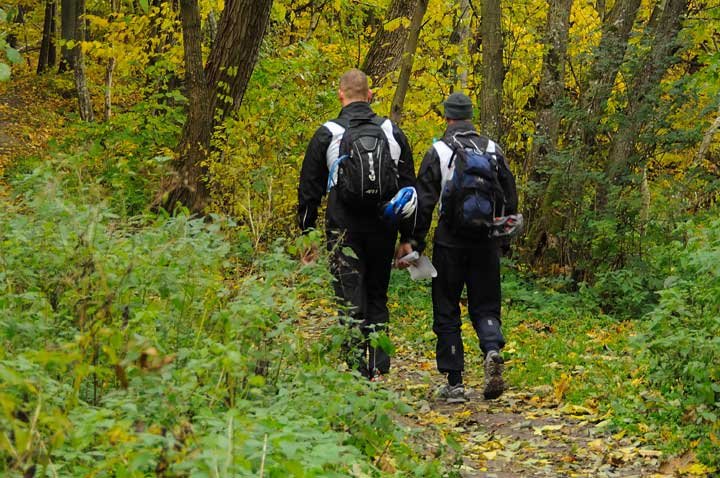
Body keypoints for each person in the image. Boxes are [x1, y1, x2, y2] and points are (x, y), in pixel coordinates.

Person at [396, 92, 519, 401]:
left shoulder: (438, 150)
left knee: (447, 307)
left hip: (449, 243)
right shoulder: (493, 149)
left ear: (447, 118)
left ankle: (455, 383)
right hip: (485, 242)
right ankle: (491, 350)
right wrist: (501, 240)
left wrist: (413, 243)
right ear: (470, 117)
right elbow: (509, 197)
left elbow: (423, 203)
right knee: (486, 303)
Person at [297, 69, 416, 381]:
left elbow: (309, 190)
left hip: (342, 227)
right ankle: (379, 365)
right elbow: (409, 189)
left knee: (348, 295)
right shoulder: (392, 131)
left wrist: (307, 235)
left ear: (341, 95)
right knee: (377, 294)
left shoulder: (327, 132)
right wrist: (409, 238)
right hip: (383, 225)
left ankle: (355, 369)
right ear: (370, 95)